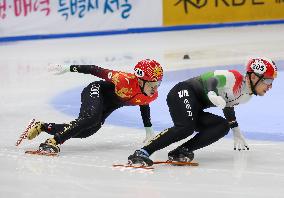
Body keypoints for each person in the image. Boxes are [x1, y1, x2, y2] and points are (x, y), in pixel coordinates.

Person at [128, 57, 277, 166]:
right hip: (183, 91)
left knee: (222, 126)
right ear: (253, 76)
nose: (270, 86)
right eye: (268, 81)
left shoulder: (246, 96)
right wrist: (212, 93)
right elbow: (211, 78)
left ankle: (181, 151)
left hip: (196, 106)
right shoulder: (234, 77)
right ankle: (143, 152)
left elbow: (228, 105)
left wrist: (235, 129)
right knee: (185, 128)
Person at [21, 59, 163, 153]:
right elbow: (94, 69)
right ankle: (53, 142)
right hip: (96, 90)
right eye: (152, 85)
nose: (155, 89)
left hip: (109, 105)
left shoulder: (152, 94)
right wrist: (67, 68)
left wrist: (148, 130)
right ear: (140, 80)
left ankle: (43, 126)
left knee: (88, 131)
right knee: (91, 118)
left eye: (158, 84)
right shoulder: (122, 79)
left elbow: (144, 104)